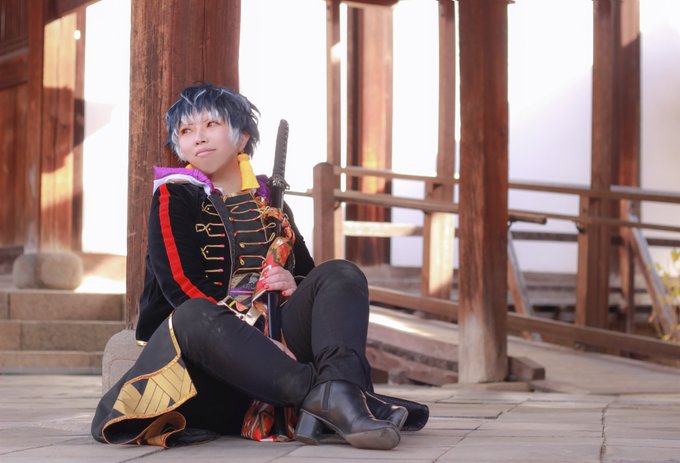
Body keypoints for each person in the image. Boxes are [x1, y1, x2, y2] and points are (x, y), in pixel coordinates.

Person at [91, 83, 428, 450]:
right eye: (186, 131)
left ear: (242, 136)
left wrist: (294, 284)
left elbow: (307, 274)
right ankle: (335, 396)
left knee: (340, 273)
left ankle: (339, 392)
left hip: (279, 350)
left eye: (211, 125)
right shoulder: (175, 194)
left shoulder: (272, 202)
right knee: (193, 314)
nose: (198, 137)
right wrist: (252, 335)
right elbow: (179, 283)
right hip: (210, 370)